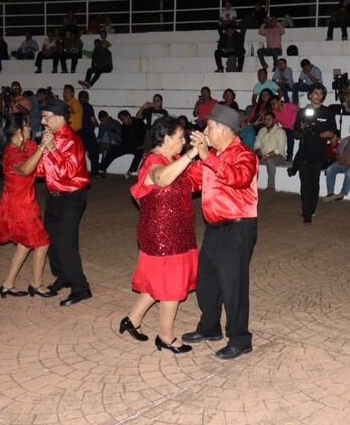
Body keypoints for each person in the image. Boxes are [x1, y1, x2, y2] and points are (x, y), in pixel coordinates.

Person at [181, 105, 259, 360]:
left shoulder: (244, 154)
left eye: (209, 126)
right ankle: (209, 326)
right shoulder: (211, 155)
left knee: (233, 286)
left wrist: (207, 157)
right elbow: (190, 181)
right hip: (214, 227)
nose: (205, 131)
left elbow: (240, 178)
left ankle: (240, 339)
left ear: (224, 129)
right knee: (207, 281)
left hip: (237, 227)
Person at [121, 117, 201, 353]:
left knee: (158, 281)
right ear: (165, 138)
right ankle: (166, 337)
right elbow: (161, 179)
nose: (183, 142)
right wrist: (191, 154)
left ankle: (132, 320)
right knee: (171, 285)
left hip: (177, 230)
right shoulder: (154, 160)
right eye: (180, 137)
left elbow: (195, 181)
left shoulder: (173, 158)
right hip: (164, 235)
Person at [0, 114, 53, 298]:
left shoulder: (26, 146)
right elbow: (26, 169)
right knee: (42, 243)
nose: (30, 128)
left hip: (25, 201)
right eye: (26, 125)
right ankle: (36, 284)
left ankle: (7, 284)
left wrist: (48, 143)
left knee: (25, 244)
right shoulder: (11, 153)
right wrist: (42, 146)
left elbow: (40, 165)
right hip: (18, 205)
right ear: (18, 131)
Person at [37, 99, 92, 306]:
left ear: (60, 117)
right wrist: (42, 148)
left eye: (46, 117)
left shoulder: (72, 139)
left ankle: (81, 287)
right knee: (51, 239)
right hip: (53, 195)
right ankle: (63, 276)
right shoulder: (50, 137)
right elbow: (41, 172)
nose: (43, 121)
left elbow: (68, 172)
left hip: (71, 196)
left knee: (65, 243)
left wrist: (51, 148)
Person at [292, 84, 337, 223]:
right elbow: (296, 134)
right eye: (315, 93)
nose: (318, 96)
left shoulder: (327, 113)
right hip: (304, 152)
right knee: (305, 183)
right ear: (310, 95)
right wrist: (301, 130)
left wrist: (327, 134)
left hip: (319, 153)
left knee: (314, 183)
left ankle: (311, 209)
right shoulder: (302, 112)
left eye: (320, 93)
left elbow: (334, 133)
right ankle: (306, 212)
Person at [99, 110, 146, 178]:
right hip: (127, 145)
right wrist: (116, 137)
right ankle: (101, 168)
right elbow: (123, 140)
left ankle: (130, 171)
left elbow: (145, 135)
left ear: (128, 116)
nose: (123, 121)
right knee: (113, 151)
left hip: (139, 146)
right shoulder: (124, 126)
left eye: (123, 119)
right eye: (121, 120)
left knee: (139, 153)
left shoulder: (138, 122)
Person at [253, 111, 287, 190]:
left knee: (270, 161)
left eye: (269, 119)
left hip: (278, 156)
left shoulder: (280, 131)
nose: (266, 121)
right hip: (264, 156)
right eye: (265, 119)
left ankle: (271, 186)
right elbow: (257, 145)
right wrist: (259, 154)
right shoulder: (262, 130)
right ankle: (252, 185)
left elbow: (280, 149)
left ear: (274, 120)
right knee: (252, 160)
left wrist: (266, 155)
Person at [77, 90, 100, 176]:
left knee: (79, 154)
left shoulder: (76, 106)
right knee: (94, 153)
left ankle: (78, 172)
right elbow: (92, 120)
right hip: (88, 133)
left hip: (78, 133)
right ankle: (95, 172)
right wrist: (97, 124)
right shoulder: (88, 107)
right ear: (87, 98)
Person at [270, 96, 298, 160]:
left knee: (289, 135)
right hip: (285, 127)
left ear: (279, 101)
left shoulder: (289, 106)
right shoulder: (274, 112)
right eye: (271, 104)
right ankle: (276, 154)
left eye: (274, 103)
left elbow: (300, 111)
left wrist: (296, 124)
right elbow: (275, 122)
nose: (273, 106)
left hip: (295, 126)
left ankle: (289, 155)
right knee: (276, 134)